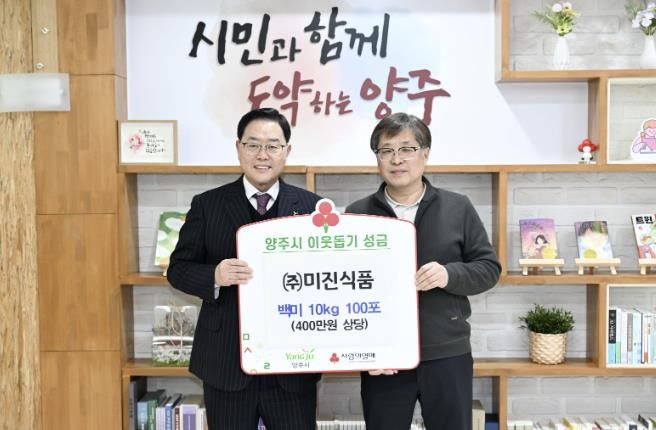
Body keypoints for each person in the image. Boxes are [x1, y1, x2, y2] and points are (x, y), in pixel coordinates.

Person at [167, 108, 321, 430]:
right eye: (253, 145)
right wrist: (214, 275)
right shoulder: (207, 205)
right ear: (238, 148)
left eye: (273, 146)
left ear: (287, 151)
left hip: (292, 363)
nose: (262, 155)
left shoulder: (311, 207)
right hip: (226, 363)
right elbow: (178, 269)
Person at [345, 112, 501, 430]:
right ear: (377, 158)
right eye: (386, 151)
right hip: (384, 356)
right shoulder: (358, 213)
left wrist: (449, 275)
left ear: (425, 154)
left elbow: (488, 268)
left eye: (407, 149)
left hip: (447, 352)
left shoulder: (458, 207)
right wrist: (364, 350)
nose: (396, 159)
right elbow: (345, 288)